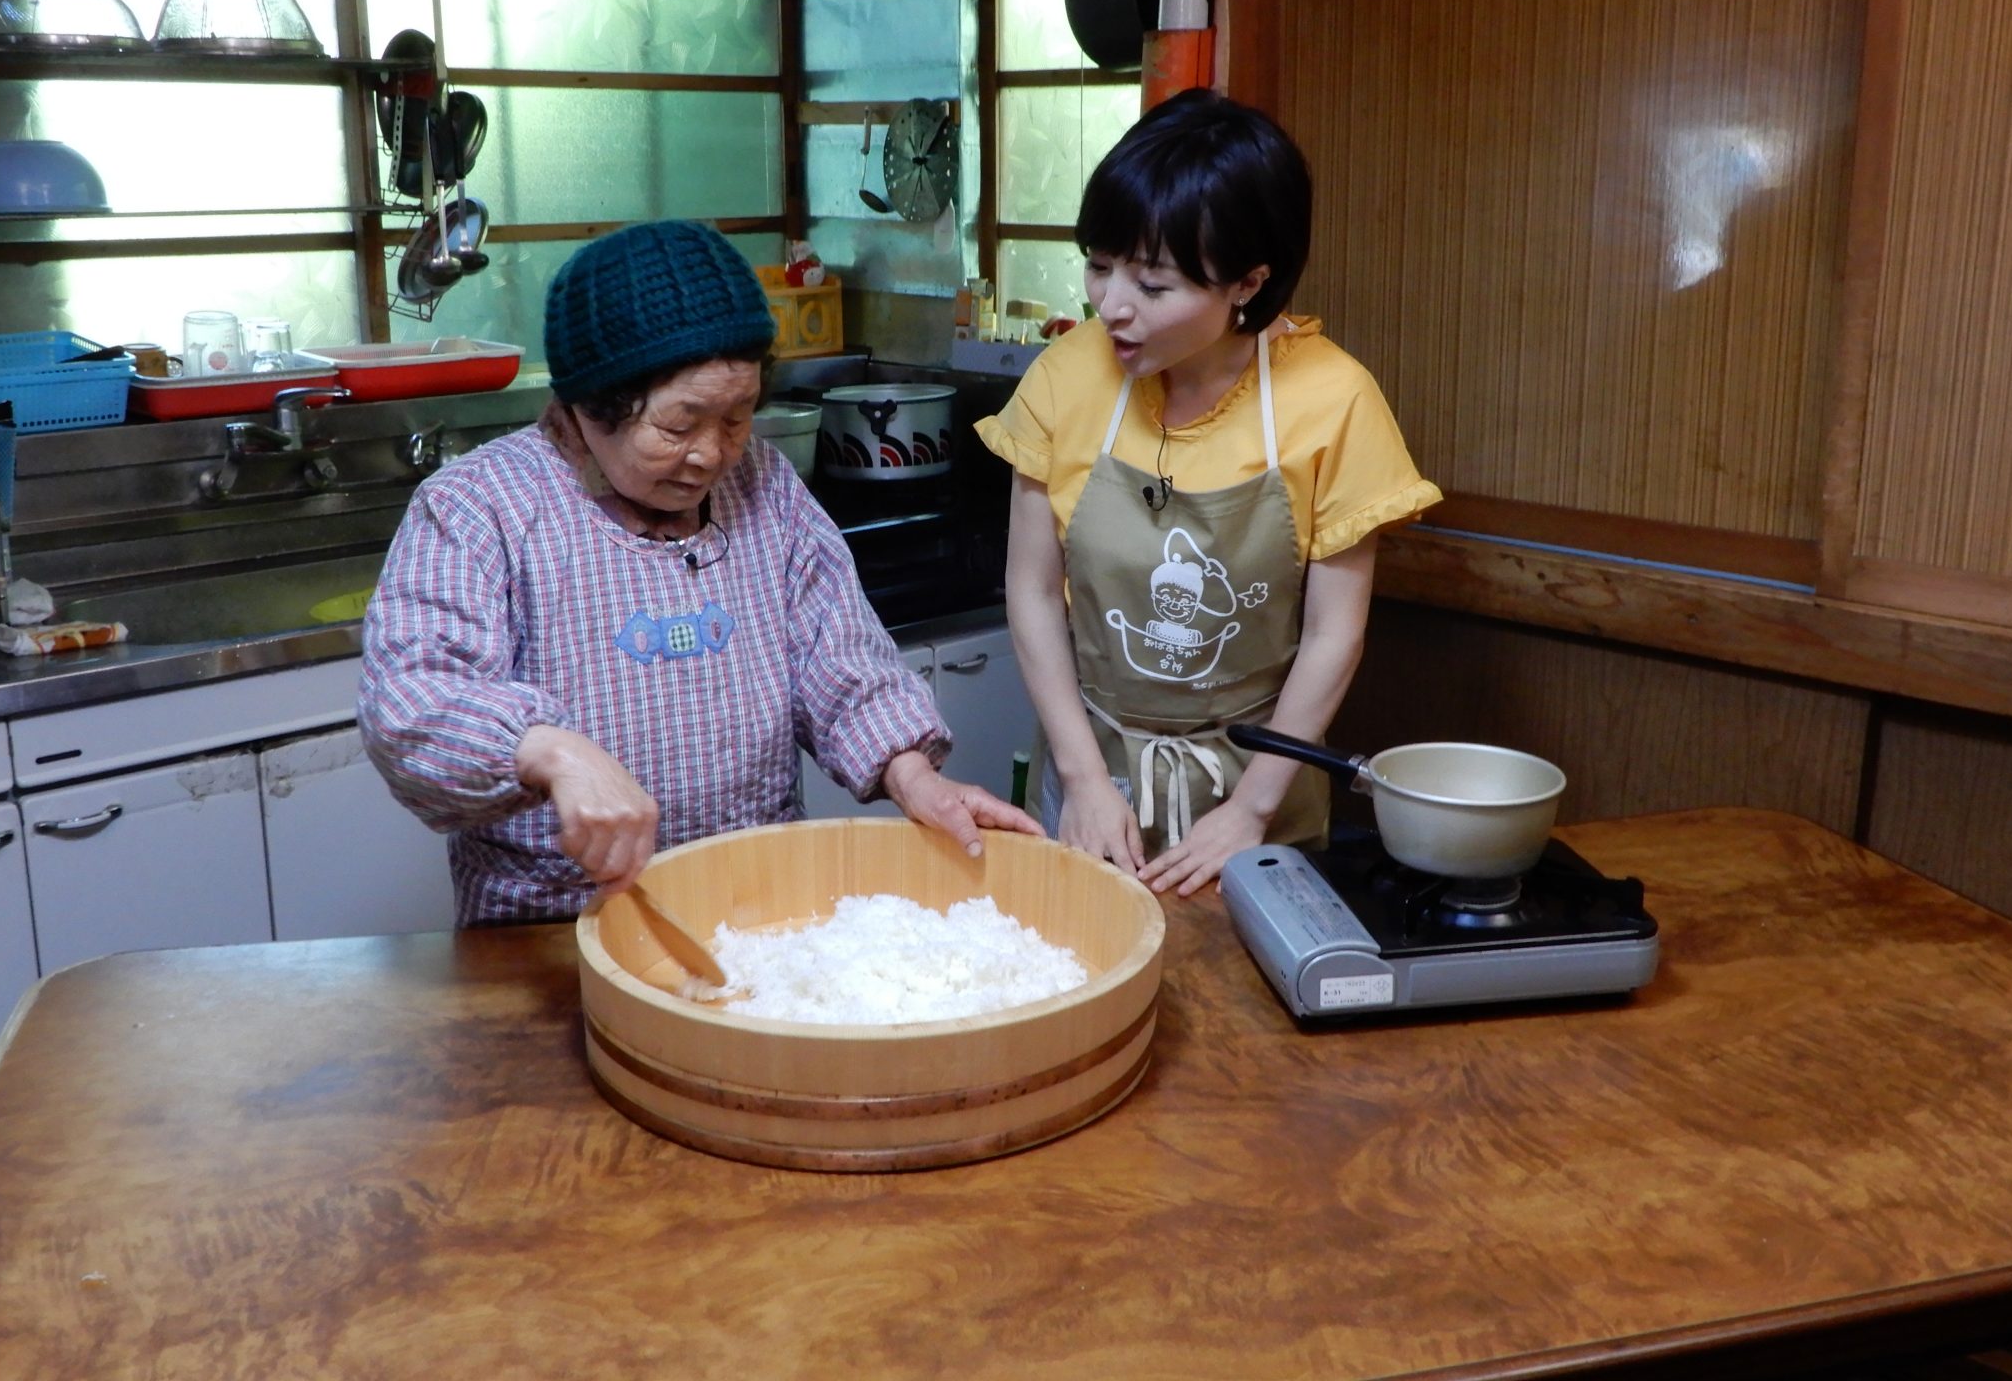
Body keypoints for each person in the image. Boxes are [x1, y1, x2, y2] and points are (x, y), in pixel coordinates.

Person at [360, 219, 1038, 925]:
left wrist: (913, 774)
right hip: (554, 926)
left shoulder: (763, 485)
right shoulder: (479, 508)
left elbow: (837, 656)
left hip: (758, 914)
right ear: (591, 406)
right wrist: (547, 750)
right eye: (679, 427)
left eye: (738, 418)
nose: (712, 455)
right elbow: (410, 700)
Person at [975, 90, 1441, 898]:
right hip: (1098, 769)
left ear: (1248, 284)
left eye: (1152, 286)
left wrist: (1251, 811)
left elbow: (1335, 633)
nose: (1110, 306)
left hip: (1261, 778)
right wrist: (1084, 781)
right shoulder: (1064, 376)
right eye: (1099, 265)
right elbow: (1030, 588)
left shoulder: (1334, 401)